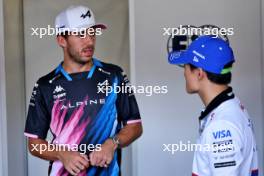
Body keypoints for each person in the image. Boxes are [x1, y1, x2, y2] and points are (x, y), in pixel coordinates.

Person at [24, 5, 143, 176]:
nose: (89, 41)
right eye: (80, 34)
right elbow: (34, 143)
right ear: (61, 40)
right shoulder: (45, 85)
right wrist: (61, 154)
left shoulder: (114, 75)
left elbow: (135, 126)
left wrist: (112, 143)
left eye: (92, 33)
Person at [168, 35, 258, 176]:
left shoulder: (221, 125)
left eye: (185, 66)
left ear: (199, 73)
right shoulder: (231, 106)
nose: (184, 74)